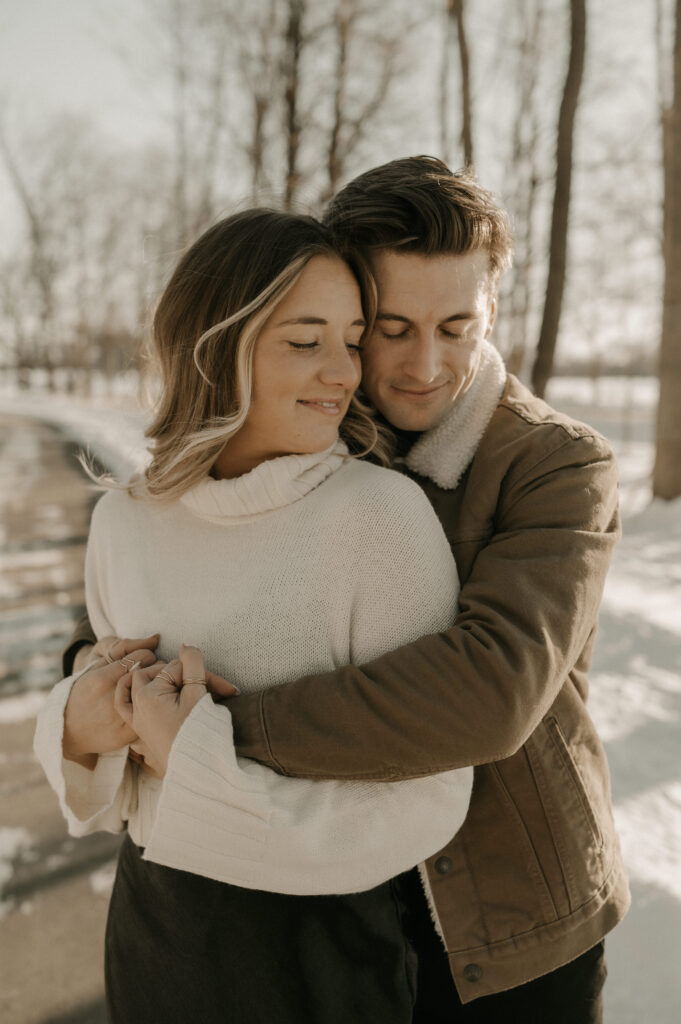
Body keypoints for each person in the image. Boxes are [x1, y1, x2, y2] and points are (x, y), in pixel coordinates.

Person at [62, 157, 629, 1023]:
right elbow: (158, 600)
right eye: (390, 329)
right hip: (343, 907)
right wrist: (103, 694)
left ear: (491, 312)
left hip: (513, 913)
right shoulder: (313, 427)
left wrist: (207, 732)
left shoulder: (556, 466)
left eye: (456, 325)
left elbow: (489, 694)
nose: (422, 365)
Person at [34, 208, 475, 1023]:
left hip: (323, 954)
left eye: (350, 340)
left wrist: (204, 769)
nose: (342, 373)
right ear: (210, 344)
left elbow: (429, 796)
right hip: (153, 938)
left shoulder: (380, 519)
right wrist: (79, 727)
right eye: (305, 342)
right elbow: (114, 735)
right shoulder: (125, 520)